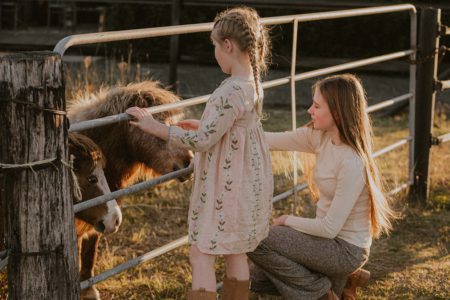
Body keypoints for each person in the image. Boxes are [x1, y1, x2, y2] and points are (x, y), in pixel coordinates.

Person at [126, 6, 273, 300]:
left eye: (215, 46)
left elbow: (204, 141)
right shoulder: (252, 84)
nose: (215, 53)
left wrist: (156, 127)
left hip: (224, 189)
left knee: (200, 252)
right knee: (235, 251)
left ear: (228, 46)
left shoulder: (230, 90)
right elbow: (230, 127)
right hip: (245, 186)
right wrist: (205, 123)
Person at [247, 74, 397, 300]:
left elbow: (329, 229)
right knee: (256, 280)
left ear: (337, 113)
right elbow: (267, 139)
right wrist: (214, 129)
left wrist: (286, 220)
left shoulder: (352, 162)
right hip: (324, 243)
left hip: (344, 251)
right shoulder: (321, 137)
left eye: (316, 106)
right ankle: (343, 282)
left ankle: (320, 293)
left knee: (254, 238)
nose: (310, 110)